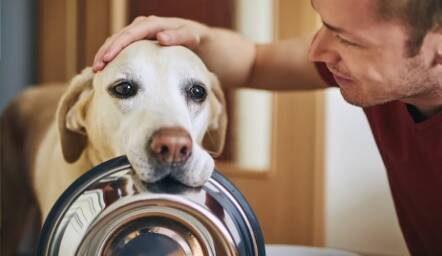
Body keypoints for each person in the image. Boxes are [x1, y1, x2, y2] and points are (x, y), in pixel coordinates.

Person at [93, 0, 442, 255]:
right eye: (323, 24)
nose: (317, 50)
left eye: (346, 39)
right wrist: (193, 35)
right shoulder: (380, 70)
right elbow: (254, 61)